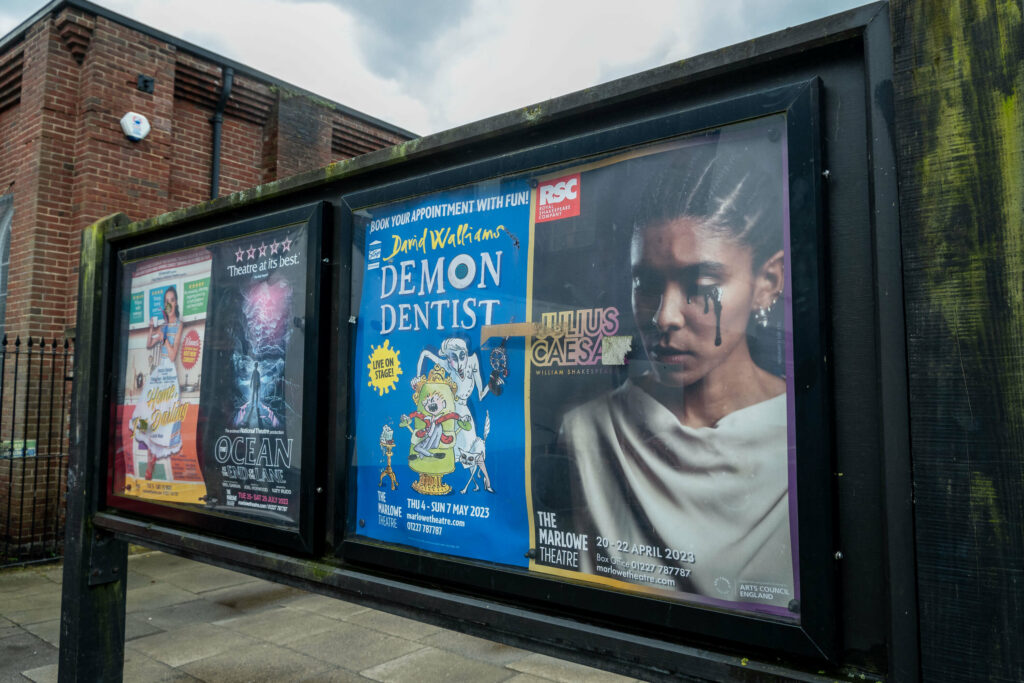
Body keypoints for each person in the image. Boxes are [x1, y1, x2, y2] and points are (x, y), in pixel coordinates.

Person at [557, 127, 794, 608]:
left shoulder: (800, 437)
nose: (663, 317)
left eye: (700, 281)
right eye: (645, 283)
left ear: (768, 281)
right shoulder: (587, 432)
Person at [133, 286, 184, 480]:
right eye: (166, 300)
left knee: (163, 421)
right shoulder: (163, 326)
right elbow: (148, 344)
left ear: (176, 302)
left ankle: (152, 461)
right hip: (158, 374)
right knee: (148, 417)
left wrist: (163, 340)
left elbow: (171, 355)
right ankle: (150, 459)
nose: (169, 303)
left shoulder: (179, 326)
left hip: (169, 376)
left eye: (172, 299)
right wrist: (152, 329)